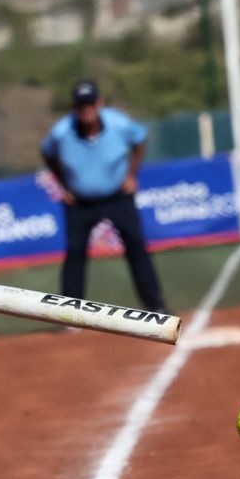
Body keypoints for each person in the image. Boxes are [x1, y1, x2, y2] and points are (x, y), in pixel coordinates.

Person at [40, 79, 169, 315]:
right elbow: (47, 153)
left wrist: (131, 174)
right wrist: (64, 185)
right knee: (75, 252)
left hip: (117, 196)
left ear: (99, 104)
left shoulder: (118, 124)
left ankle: (155, 306)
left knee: (136, 247)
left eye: (90, 104)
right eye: (81, 105)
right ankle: (71, 314)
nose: (86, 109)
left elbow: (139, 140)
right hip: (80, 202)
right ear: (74, 107)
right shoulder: (61, 132)